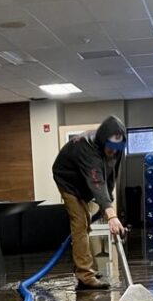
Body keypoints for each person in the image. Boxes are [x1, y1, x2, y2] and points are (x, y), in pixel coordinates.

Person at [52, 116, 127, 290]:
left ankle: (85, 268)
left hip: (86, 183)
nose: (113, 152)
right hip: (68, 181)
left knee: (86, 224)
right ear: (102, 142)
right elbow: (97, 183)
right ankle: (85, 276)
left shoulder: (117, 146)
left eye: (117, 150)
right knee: (80, 224)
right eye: (110, 149)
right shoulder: (88, 149)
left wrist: (109, 204)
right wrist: (111, 214)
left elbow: (111, 175)